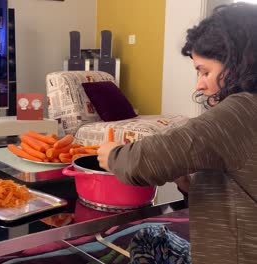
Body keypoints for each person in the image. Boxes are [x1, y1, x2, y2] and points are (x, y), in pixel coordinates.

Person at [97, 3, 257, 264]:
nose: (199, 84)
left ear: (238, 64)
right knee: (151, 238)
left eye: (205, 71)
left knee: (147, 242)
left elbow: (145, 161)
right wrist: (189, 187)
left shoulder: (241, 111)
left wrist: (113, 154)